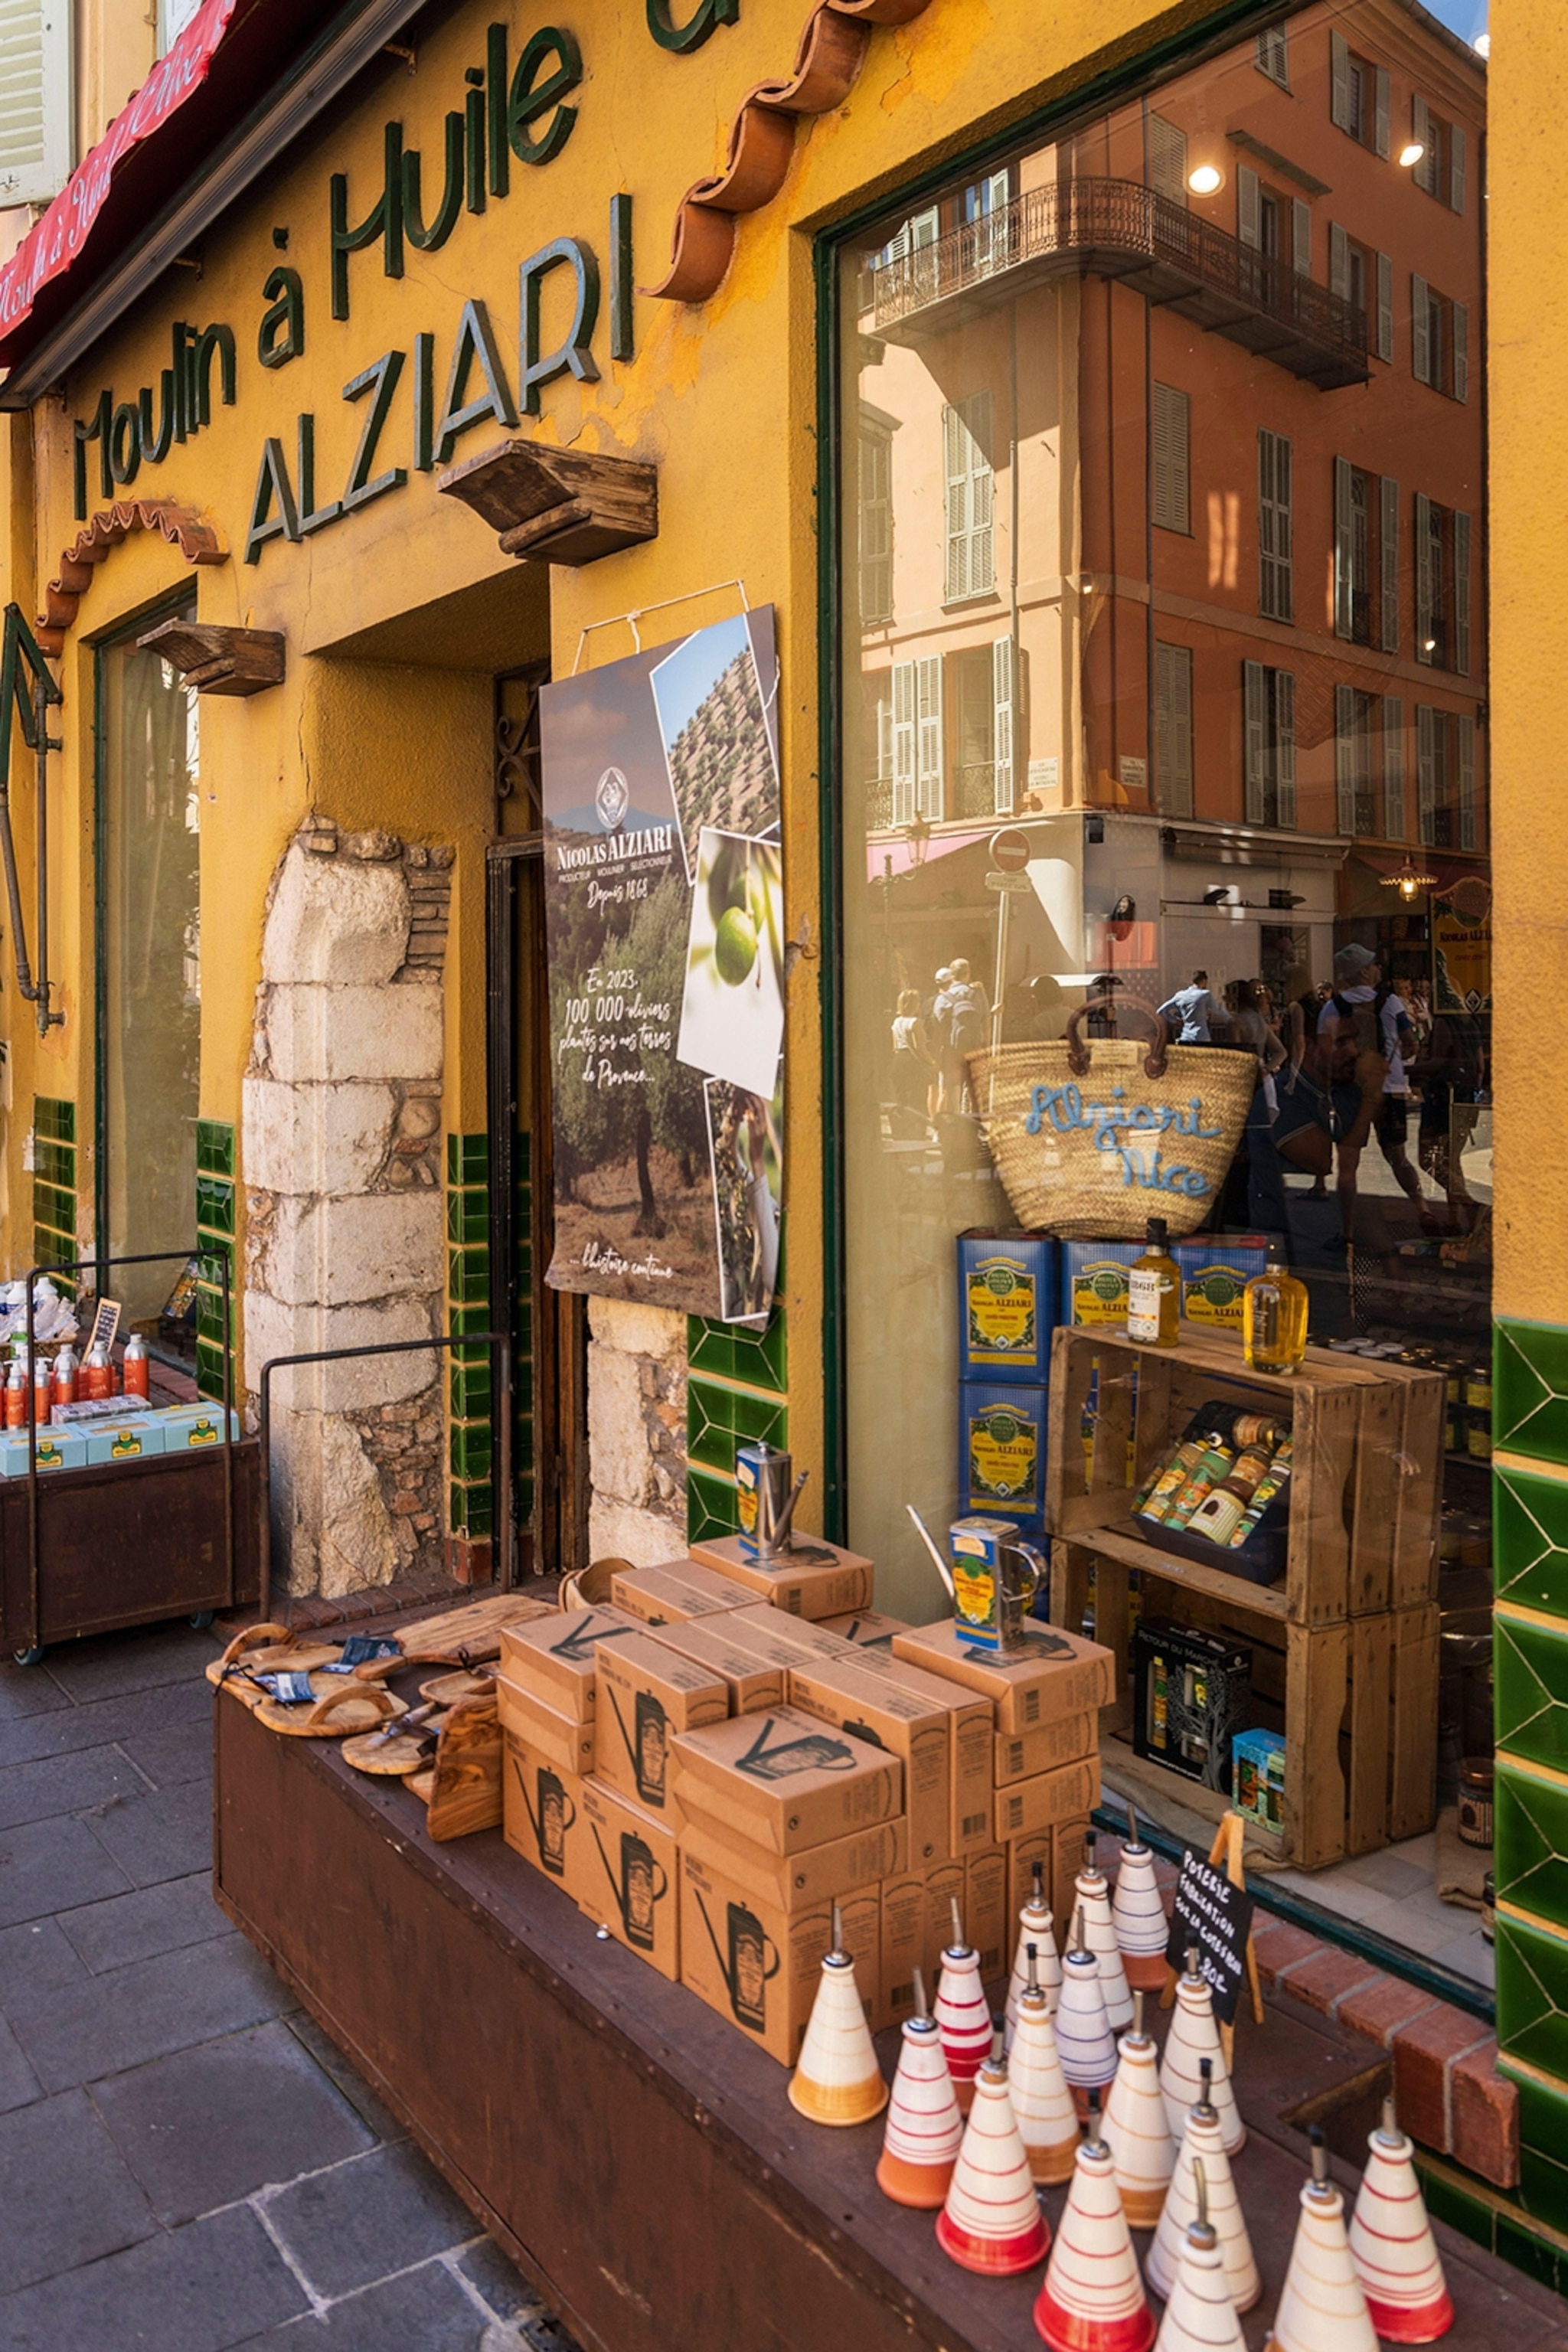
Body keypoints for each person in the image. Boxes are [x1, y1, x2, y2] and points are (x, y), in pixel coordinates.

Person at [889, 988, 932, 1133]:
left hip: (898, 1060)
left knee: (901, 1097)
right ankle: (916, 1131)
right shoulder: (915, 1022)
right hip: (912, 1062)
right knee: (917, 1098)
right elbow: (919, 1047)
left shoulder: (896, 1022)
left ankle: (901, 1130)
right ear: (914, 1004)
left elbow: (894, 1046)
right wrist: (932, 1062)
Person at [1157, 968, 1230, 1044]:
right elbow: (1217, 1009)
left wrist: (1175, 1020)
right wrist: (1229, 1019)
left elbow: (1161, 1011)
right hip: (1202, 1037)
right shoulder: (1205, 994)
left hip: (1185, 1037)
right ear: (1204, 981)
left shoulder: (1180, 995)